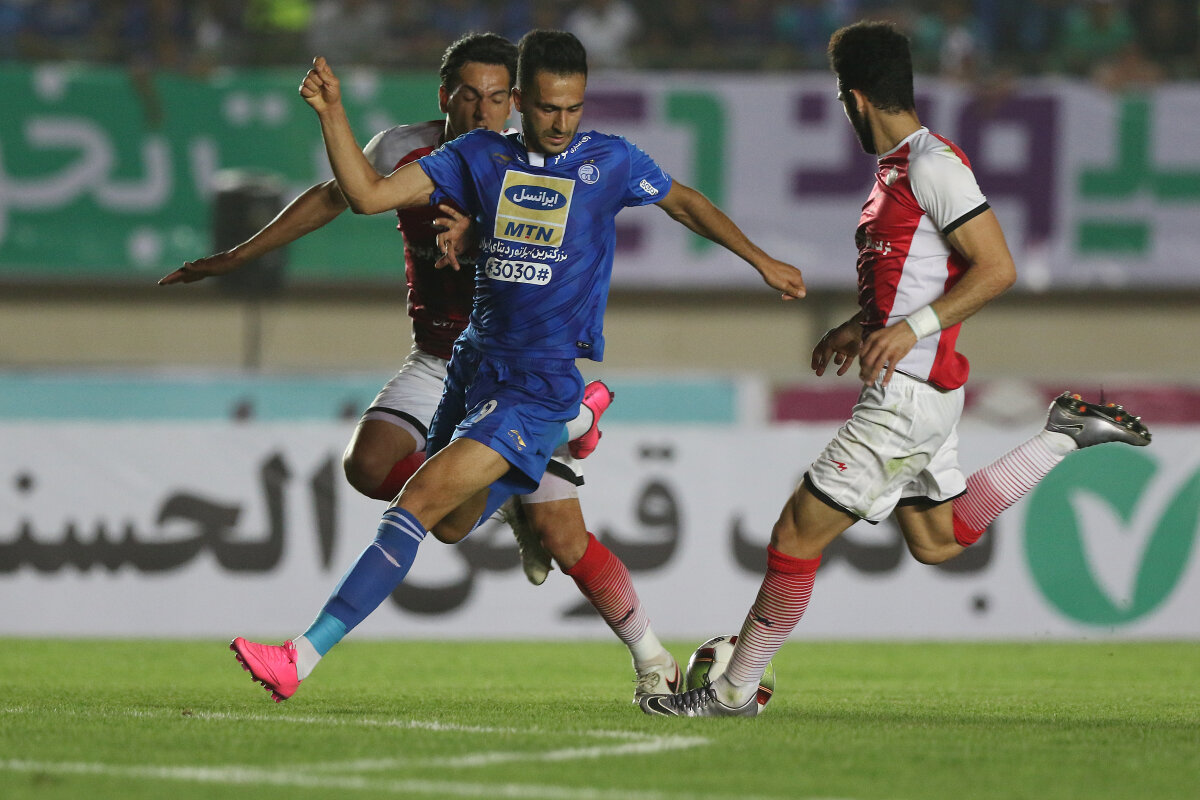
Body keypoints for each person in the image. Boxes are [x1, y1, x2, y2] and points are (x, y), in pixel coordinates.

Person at [227, 28, 807, 705]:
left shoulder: (609, 161)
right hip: (473, 365)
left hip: (536, 382)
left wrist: (761, 259)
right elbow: (367, 196)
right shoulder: (478, 155)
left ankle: (298, 657)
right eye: (549, 108)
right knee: (450, 523)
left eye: (573, 108)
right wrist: (332, 114)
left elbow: (685, 202)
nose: (561, 123)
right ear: (524, 101)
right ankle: (578, 423)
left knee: (417, 503)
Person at [639, 20, 1152, 718]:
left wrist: (911, 328)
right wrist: (864, 325)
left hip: (908, 394)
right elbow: (917, 280)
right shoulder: (896, 172)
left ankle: (732, 691)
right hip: (920, 388)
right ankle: (1062, 435)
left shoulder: (933, 166)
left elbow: (996, 268)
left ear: (854, 98)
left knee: (794, 536)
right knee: (937, 540)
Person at [161, 32, 681, 702]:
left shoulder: (530, 166)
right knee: (370, 465)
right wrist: (239, 255)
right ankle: (526, 458)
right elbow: (336, 196)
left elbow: (567, 237)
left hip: (516, 374)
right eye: (470, 96)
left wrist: (481, 233)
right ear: (445, 96)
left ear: (516, 101)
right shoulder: (406, 150)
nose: (484, 110)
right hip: (441, 359)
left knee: (560, 534)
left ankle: (651, 655)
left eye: (498, 97)